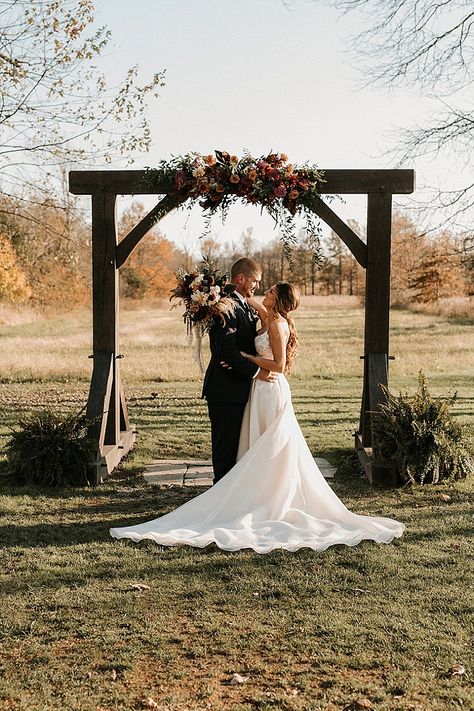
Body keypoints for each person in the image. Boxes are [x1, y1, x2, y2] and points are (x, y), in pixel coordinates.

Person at [110, 282, 405, 553]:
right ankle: (253, 493)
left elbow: (278, 365)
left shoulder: (277, 324)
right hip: (258, 390)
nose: (266, 291)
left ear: (278, 299)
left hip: (270, 389)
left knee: (271, 445)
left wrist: (247, 358)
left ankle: (271, 497)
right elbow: (243, 298)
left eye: (272, 290)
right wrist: (209, 294)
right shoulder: (264, 315)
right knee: (257, 443)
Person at [201, 257, 271, 484]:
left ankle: (231, 495)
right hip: (225, 390)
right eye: (255, 281)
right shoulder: (225, 305)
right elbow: (225, 349)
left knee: (237, 448)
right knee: (225, 450)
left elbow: (244, 346)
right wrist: (255, 372)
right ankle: (219, 497)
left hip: (239, 388)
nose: (257, 286)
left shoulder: (244, 305)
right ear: (240, 278)